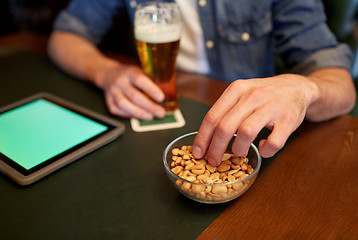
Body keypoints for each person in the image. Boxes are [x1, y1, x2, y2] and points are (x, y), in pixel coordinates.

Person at [48, 0, 356, 166]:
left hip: (252, 133)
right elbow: (65, 36)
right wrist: (106, 72)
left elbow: (341, 86)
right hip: (154, 123)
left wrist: (303, 89)